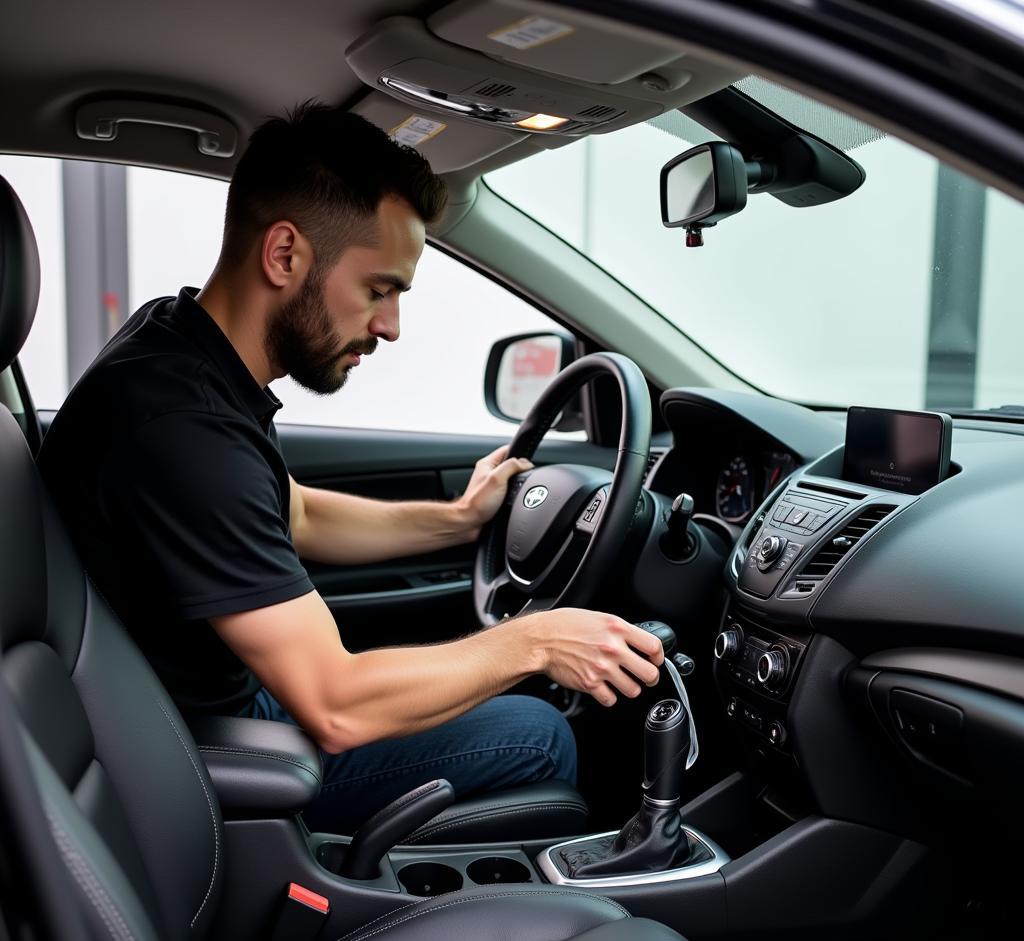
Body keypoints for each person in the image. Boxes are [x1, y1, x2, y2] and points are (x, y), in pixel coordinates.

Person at [38, 103, 664, 832]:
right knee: (537, 732)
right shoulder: (183, 433)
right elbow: (335, 705)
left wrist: (457, 520)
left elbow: (291, 511)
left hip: (199, 711)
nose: (392, 326)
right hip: (207, 752)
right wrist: (536, 641)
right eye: (379, 289)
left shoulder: (179, 348)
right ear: (284, 255)